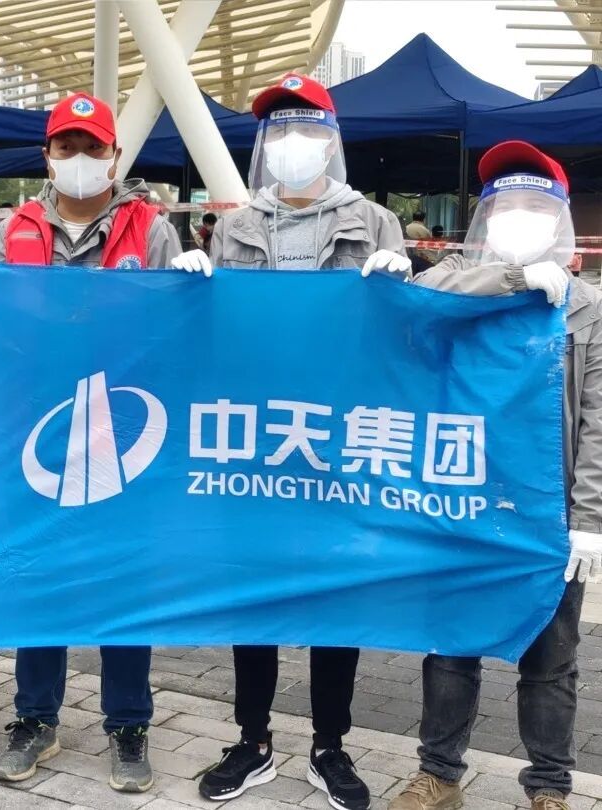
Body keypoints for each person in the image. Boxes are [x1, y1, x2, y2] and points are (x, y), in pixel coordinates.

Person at [0, 91, 210, 794]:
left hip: (127, 429)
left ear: (115, 156)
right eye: (66, 146)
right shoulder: (16, 228)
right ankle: (35, 717)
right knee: (39, 570)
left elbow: (181, 337)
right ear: (47, 156)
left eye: (92, 147)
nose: (80, 158)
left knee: (123, 576)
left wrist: (195, 290)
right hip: (39, 427)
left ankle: (129, 725)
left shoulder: (152, 229)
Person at [199, 74, 407, 810]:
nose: (293, 142)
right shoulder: (235, 227)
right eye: (279, 129)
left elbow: (400, 333)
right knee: (253, 585)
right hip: (255, 431)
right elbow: (214, 330)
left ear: (331, 139)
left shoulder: (374, 223)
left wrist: (404, 281)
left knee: (334, 588)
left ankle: (329, 744)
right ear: (264, 144)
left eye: (307, 128)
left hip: (338, 432)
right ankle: (252, 739)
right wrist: (190, 288)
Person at [371, 141, 599, 810]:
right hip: (460, 498)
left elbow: (597, 421)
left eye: (534, 207)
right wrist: (508, 279)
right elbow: (420, 300)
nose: (517, 219)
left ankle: (550, 785)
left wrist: (589, 521)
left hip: (545, 509)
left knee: (550, 656)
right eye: (505, 207)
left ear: (557, 219)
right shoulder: (455, 283)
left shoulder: (586, 307)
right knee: (452, 644)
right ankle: (440, 774)